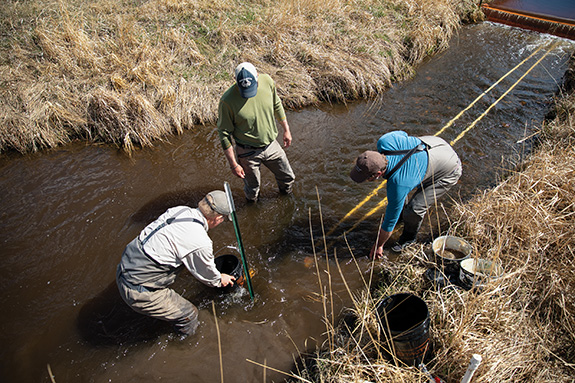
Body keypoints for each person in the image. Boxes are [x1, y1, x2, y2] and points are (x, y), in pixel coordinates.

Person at [116, 191, 236, 337]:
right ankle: (185, 346)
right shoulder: (200, 242)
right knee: (189, 314)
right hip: (137, 290)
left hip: (125, 267)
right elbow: (208, 276)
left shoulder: (180, 210)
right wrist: (220, 279)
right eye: (223, 218)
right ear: (217, 218)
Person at [350, 131, 462, 259]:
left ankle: (409, 239)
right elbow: (403, 134)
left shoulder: (398, 184)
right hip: (438, 144)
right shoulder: (385, 141)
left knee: (414, 209)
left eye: (366, 178)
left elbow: (389, 223)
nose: (365, 180)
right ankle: (402, 216)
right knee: (401, 200)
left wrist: (378, 245)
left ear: (378, 174)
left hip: (449, 170)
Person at [217, 62, 295, 202]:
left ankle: (287, 200)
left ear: (257, 77)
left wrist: (286, 130)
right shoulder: (227, 102)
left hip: (271, 145)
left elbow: (277, 104)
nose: (248, 95)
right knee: (253, 189)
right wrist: (234, 164)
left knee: (287, 177)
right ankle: (252, 209)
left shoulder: (267, 81)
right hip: (247, 153)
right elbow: (224, 134)